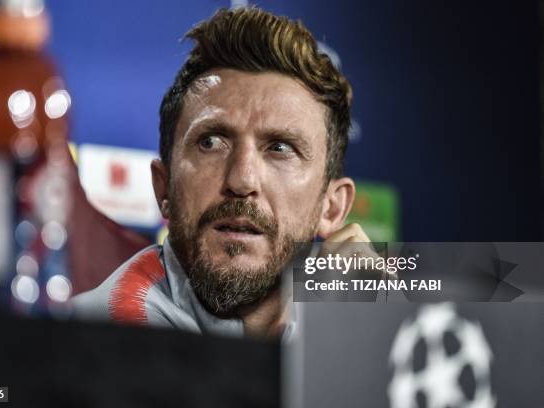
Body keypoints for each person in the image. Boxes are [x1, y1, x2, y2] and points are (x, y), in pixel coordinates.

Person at [72, 6, 373, 337]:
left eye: (280, 148)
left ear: (332, 207)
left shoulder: (346, 320)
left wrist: (386, 327)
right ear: (164, 187)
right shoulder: (109, 327)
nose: (242, 180)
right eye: (211, 142)